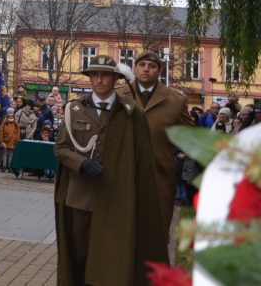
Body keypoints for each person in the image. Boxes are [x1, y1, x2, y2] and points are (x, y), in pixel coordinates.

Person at [54, 55, 167, 285]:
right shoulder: (74, 109)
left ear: (115, 78)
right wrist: (82, 163)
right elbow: (61, 149)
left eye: (105, 74)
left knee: (112, 256)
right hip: (81, 197)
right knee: (80, 253)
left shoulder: (131, 113)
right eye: (94, 74)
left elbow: (141, 158)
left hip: (117, 198)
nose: (99, 80)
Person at [116, 49, 193, 239]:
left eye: (152, 66)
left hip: (159, 173)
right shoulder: (119, 95)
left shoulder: (176, 100)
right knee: (122, 231)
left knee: (155, 234)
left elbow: (190, 134)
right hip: (123, 172)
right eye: (142, 65)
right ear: (134, 68)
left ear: (159, 71)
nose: (146, 70)